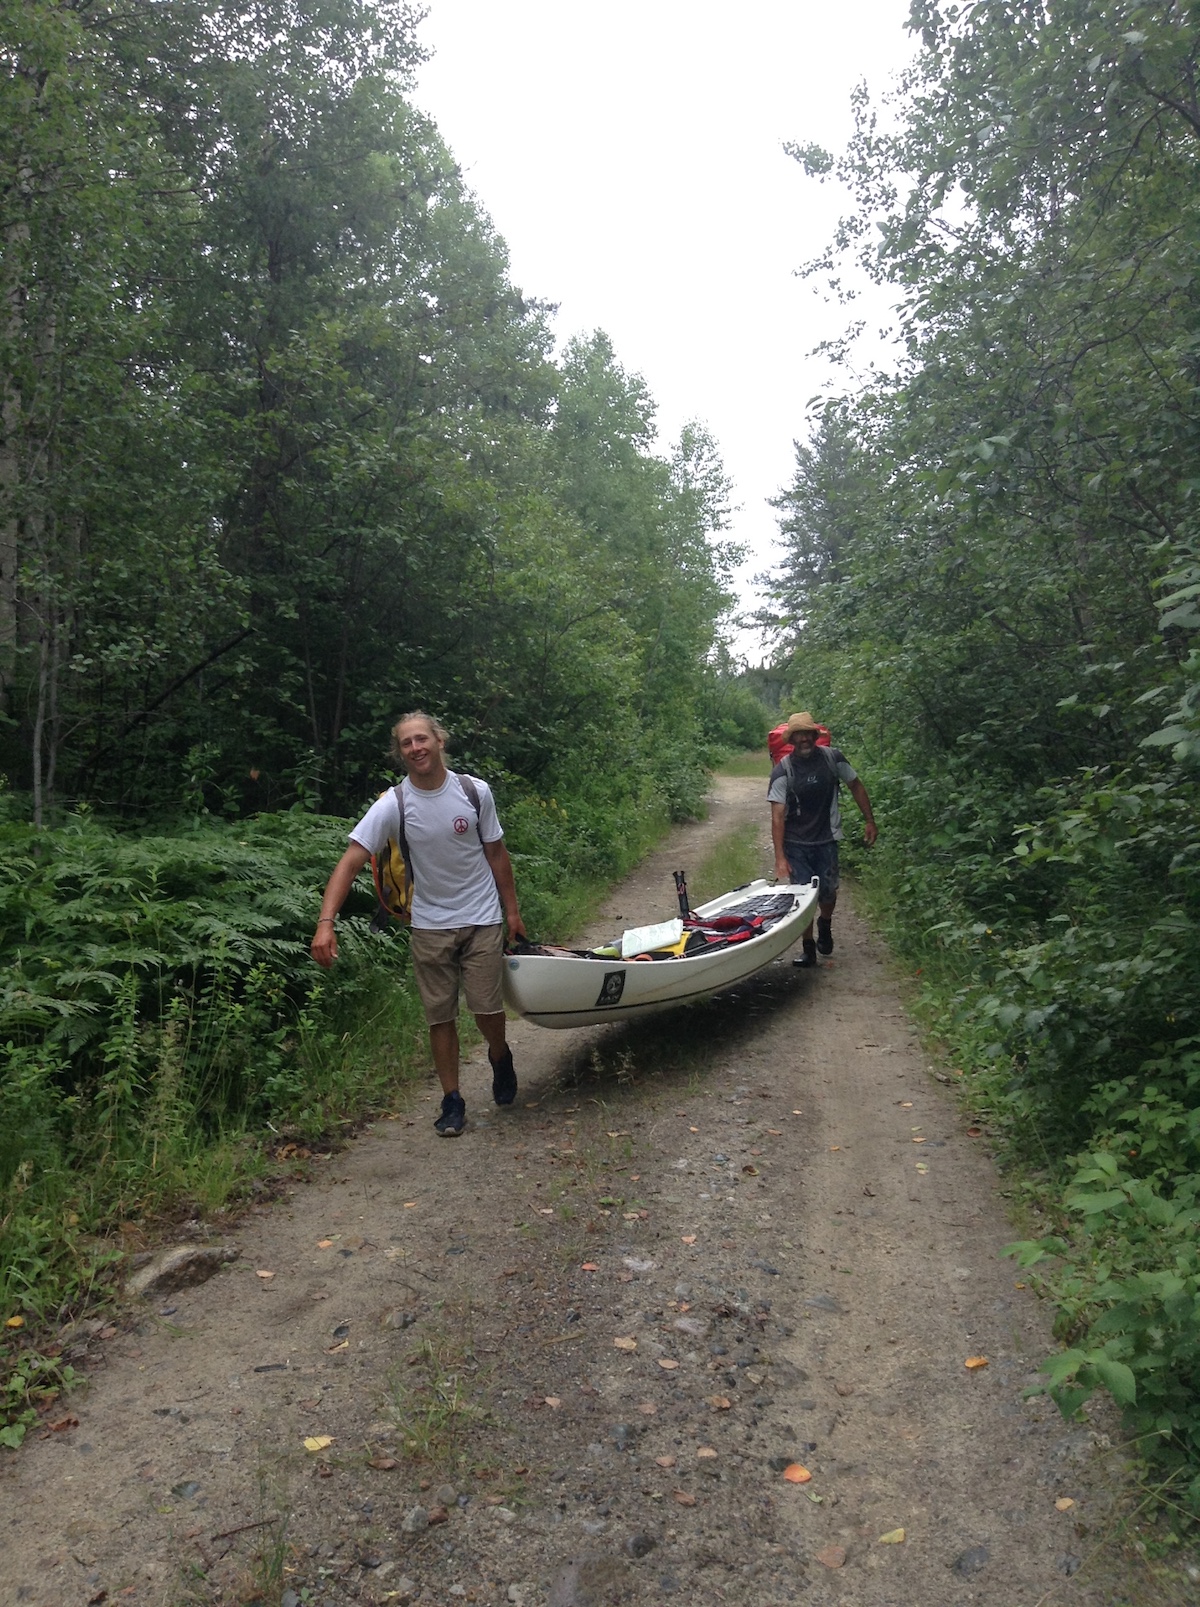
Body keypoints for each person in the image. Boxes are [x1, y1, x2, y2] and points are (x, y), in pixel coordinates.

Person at [311, 711, 527, 1136]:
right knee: (439, 1017)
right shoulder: (395, 803)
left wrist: (512, 911)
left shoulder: (473, 791)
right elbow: (351, 860)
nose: (416, 748)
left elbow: (497, 853)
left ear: (439, 741)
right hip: (428, 924)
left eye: (421, 739)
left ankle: (500, 1056)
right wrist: (325, 922)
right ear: (401, 752)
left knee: (486, 1010)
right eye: (407, 743)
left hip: (482, 917)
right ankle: (452, 1101)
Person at [768, 711, 877, 969]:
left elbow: (856, 785)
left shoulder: (833, 758)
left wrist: (870, 820)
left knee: (828, 892)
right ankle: (808, 948)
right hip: (796, 843)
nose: (804, 739)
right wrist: (780, 858)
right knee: (804, 897)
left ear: (815, 736)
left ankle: (825, 924)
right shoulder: (783, 771)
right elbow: (777, 816)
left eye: (808, 733)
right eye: (799, 735)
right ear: (791, 739)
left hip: (827, 838)